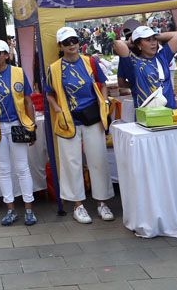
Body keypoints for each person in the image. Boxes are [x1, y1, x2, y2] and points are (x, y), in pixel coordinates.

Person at [45, 27, 115, 225]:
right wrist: (57, 108)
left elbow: (102, 83)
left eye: (74, 40)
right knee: (71, 162)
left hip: (92, 116)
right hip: (68, 120)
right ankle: (78, 205)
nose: (71, 45)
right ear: (60, 46)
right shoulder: (54, 68)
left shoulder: (90, 61)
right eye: (66, 42)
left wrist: (104, 100)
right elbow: (49, 92)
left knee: (98, 159)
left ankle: (102, 202)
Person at [0, 39, 38, 227]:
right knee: (3, 170)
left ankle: (29, 209)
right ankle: (10, 209)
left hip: (17, 125)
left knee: (22, 168)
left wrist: (31, 125)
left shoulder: (18, 73)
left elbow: (28, 101)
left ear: (7, 55)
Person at [113, 26, 177, 110]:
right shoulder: (133, 63)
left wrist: (157, 36)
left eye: (154, 39)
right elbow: (117, 44)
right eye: (148, 40)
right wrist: (130, 43)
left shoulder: (162, 57)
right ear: (139, 45)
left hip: (170, 112)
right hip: (146, 117)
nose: (153, 43)